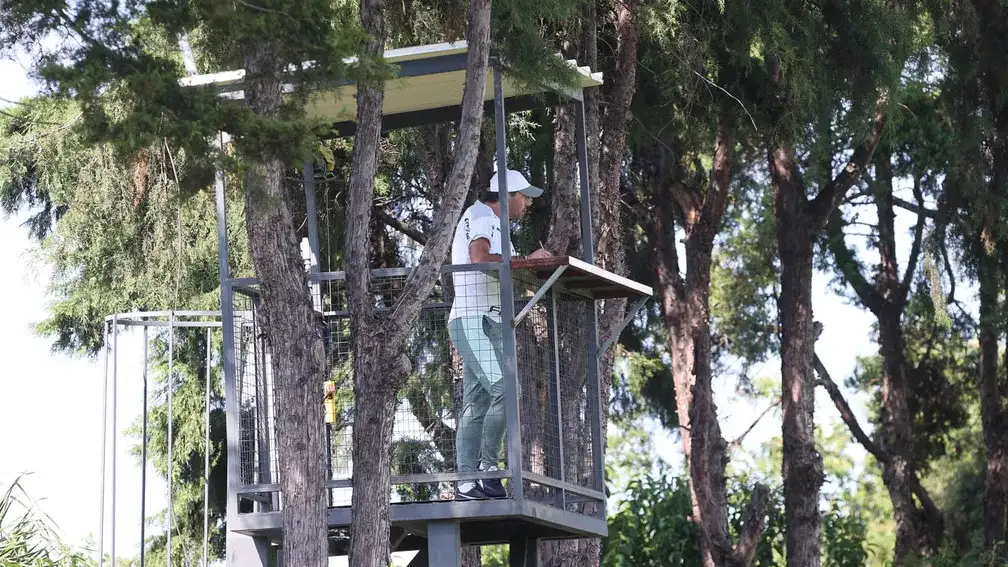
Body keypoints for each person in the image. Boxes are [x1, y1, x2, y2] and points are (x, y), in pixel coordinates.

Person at [448, 168, 551, 500]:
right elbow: (479, 257)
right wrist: (526, 260)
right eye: (524, 197)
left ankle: (469, 481)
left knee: (477, 402)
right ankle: (487, 472)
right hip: (472, 321)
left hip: (486, 320)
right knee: (505, 389)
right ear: (506, 197)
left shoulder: (490, 222)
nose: (528, 204)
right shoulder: (483, 216)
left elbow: (498, 266)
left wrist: (525, 265)